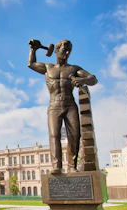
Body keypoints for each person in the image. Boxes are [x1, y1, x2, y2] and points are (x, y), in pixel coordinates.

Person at [28, 39, 98, 174]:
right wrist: (33, 49)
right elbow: (31, 64)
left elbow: (93, 79)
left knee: (74, 135)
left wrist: (81, 80)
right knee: (54, 135)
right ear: (56, 50)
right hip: (54, 105)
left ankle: (72, 166)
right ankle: (56, 166)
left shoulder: (74, 69)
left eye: (69, 51)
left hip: (70, 104)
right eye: (64, 50)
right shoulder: (48, 67)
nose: (66, 53)